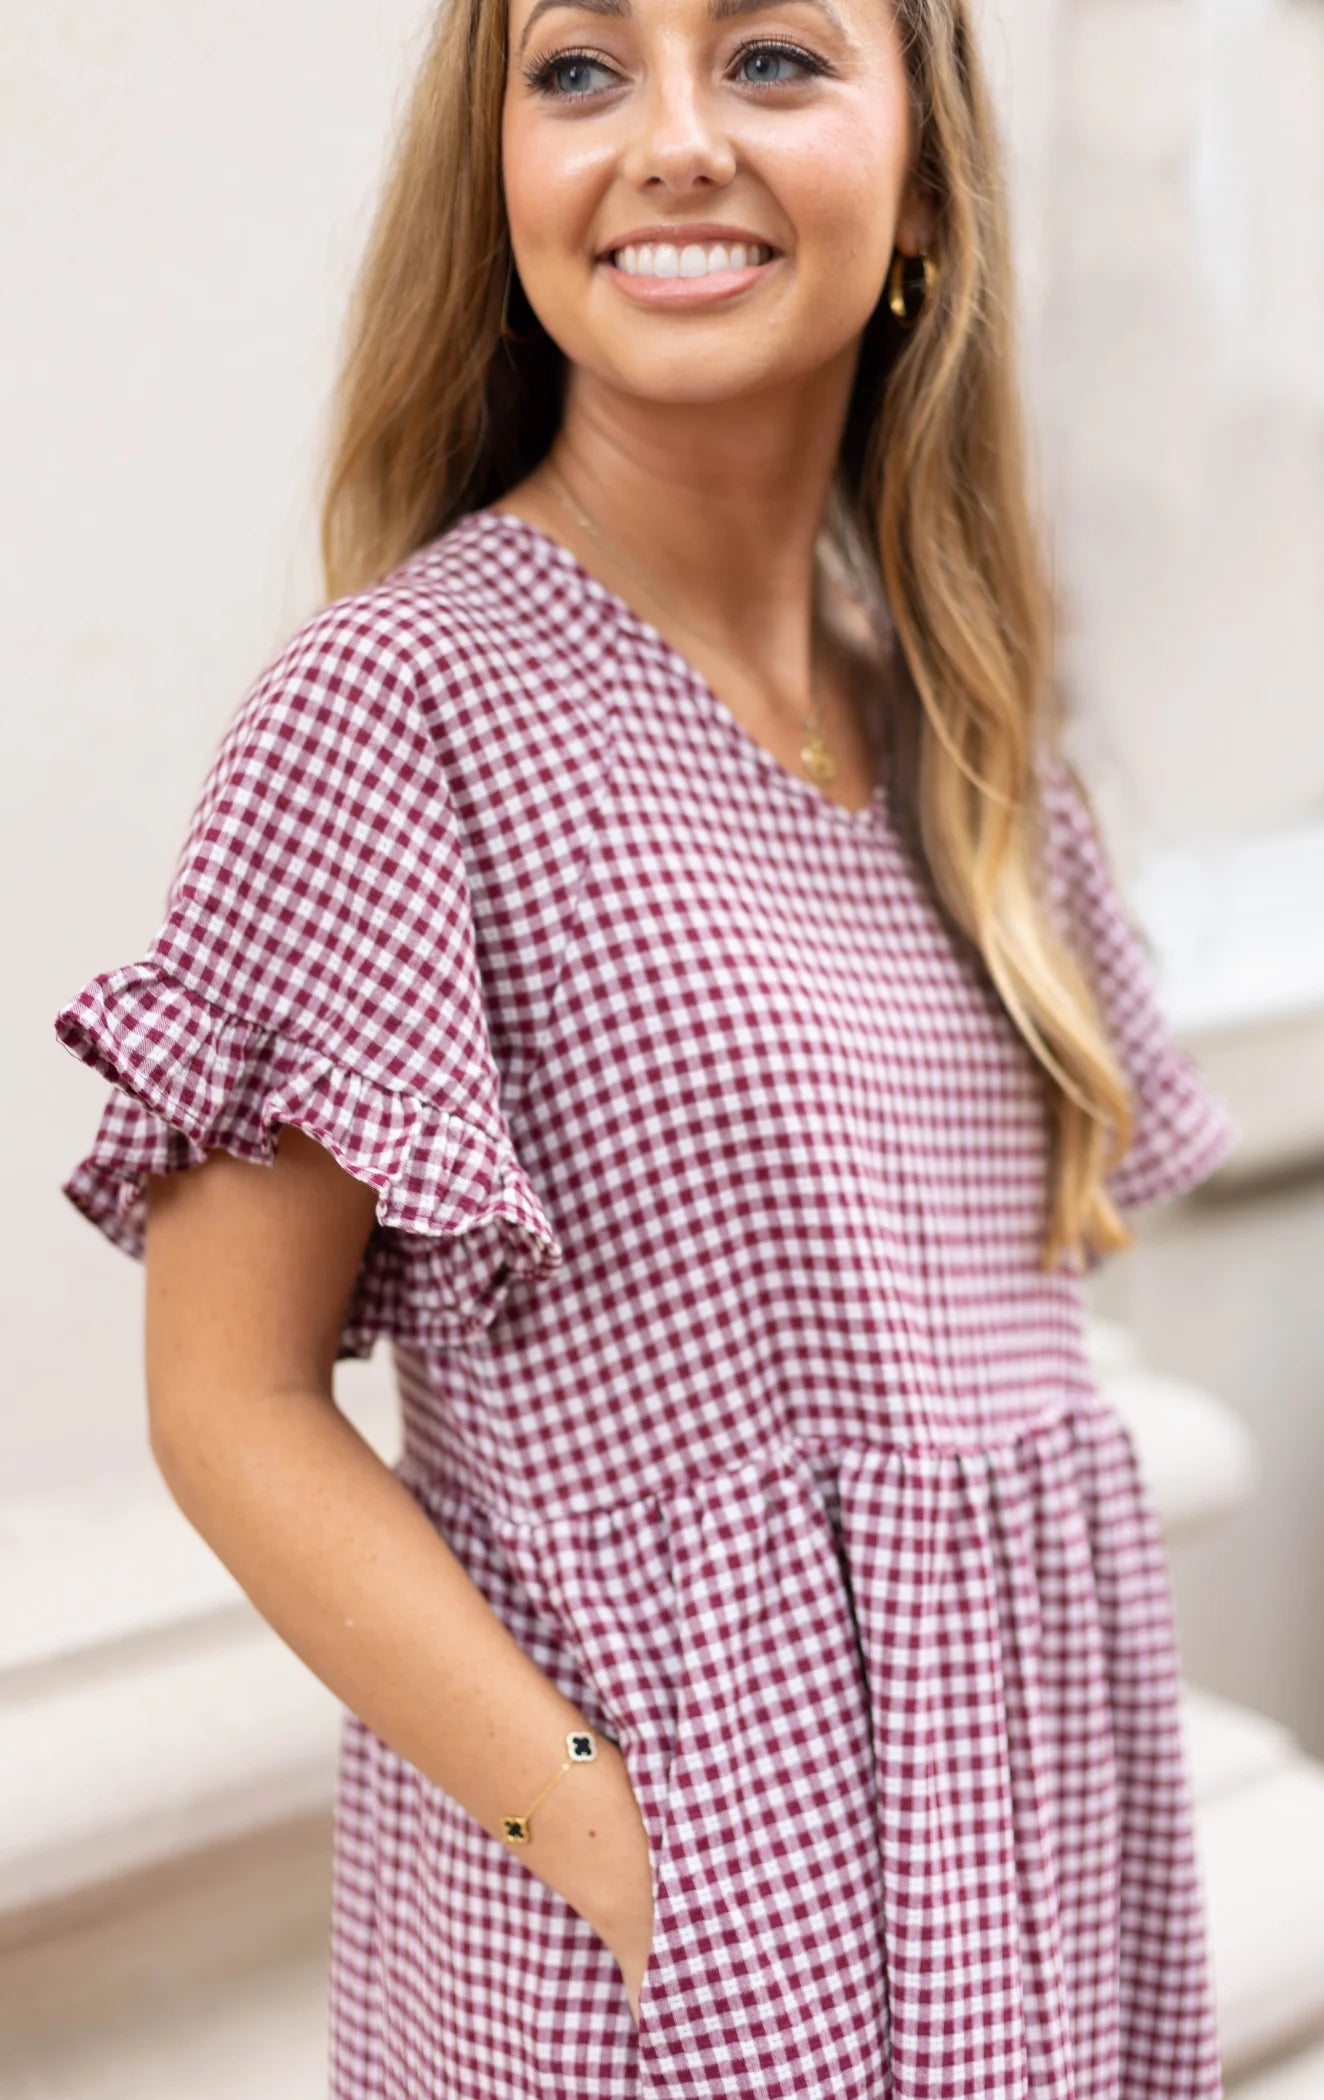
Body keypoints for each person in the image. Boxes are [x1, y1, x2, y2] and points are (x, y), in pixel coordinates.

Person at [51, 0, 1240, 2092]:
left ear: (925, 181)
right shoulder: (398, 715)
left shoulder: (965, 750)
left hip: (1031, 1877)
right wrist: (627, 1855)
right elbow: (227, 1403)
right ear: (495, 174)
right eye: (581, 70)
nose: (672, 138)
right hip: (675, 1955)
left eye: (770, 58)